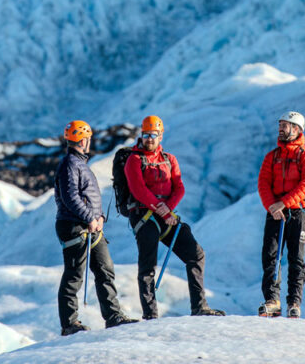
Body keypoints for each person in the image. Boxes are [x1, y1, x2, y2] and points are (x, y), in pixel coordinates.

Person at [124, 115, 225, 319]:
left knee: (196, 255)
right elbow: (138, 190)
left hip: (166, 216)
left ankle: (199, 306)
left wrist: (167, 210)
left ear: (161, 136)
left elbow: (179, 187)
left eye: (153, 135)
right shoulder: (134, 160)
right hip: (144, 216)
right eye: (145, 135)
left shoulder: (169, 160)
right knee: (148, 265)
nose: (149, 139)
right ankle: (150, 314)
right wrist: (163, 210)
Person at [54, 120, 138, 335]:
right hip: (76, 226)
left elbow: (82, 197)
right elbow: (70, 197)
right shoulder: (71, 164)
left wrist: (98, 217)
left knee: (105, 269)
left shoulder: (77, 163)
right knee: (74, 275)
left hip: (89, 226)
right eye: (88, 139)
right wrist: (91, 218)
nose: (90, 142)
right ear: (83, 140)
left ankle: (113, 316)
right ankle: (69, 324)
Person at [257, 111, 305, 319]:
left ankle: (294, 302)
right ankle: (272, 301)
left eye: (285, 125)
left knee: (296, 258)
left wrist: (282, 203)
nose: (281, 128)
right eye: (281, 124)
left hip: (298, 213)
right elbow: (263, 183)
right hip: (276, 212)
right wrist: (272, 206)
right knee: (270, 256)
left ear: (297, 129)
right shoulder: (272, 156)